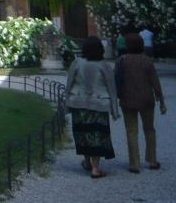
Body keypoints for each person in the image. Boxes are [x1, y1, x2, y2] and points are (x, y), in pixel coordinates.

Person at [65, 36, 118, 179]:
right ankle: (95, 167)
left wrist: (66, 103)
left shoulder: (77, 63)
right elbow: (112, 89)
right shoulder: (104, 65)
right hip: (98, 104)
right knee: (97, 134)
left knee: (83, 133)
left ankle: (87, 161)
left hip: (79, 103)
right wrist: (115, 110)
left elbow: (69, 83)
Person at [116, 33, 166, 173]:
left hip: (128, 99)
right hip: (146, 99)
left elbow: (117, 80)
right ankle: (152, 160)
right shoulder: (147, 60)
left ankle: (134, 163)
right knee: (149, 130)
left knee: (131, 131)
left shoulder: (121, 60)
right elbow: (155, 82)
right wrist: (161, 100)